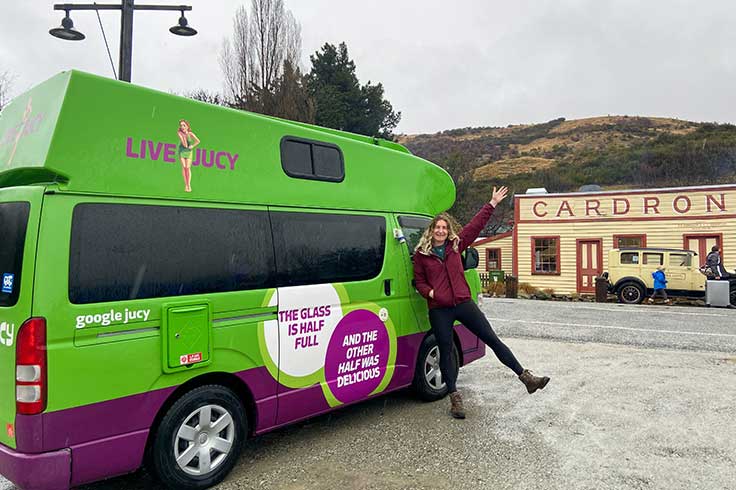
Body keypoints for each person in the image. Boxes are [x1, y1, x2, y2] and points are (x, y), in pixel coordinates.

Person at [412, 186, 550, 419]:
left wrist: (492, 203)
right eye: (438, 228)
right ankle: (455, 399)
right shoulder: (422, 255)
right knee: (445, 350)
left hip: (463, 303)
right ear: (431, 231)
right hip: (439, 309)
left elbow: (476, 226)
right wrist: (432, 294)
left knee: (492, 339)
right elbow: (419, 282)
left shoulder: (456, 246)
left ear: (448, 231)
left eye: (445, 228)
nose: (441, 231)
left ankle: (526, 378)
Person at [177, 119, 200, 192]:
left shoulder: (191, 134)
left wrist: (192, 146)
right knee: (184, 167)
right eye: (181, 125)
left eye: (184, 125)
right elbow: (184, 144)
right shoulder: (179, 133)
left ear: (187, 126)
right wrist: (183, 136)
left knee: (187, 167)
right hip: (182, 151)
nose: (182, 127)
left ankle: (189, 184)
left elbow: (198, 141)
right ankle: (186, 185)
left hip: (189, 151)